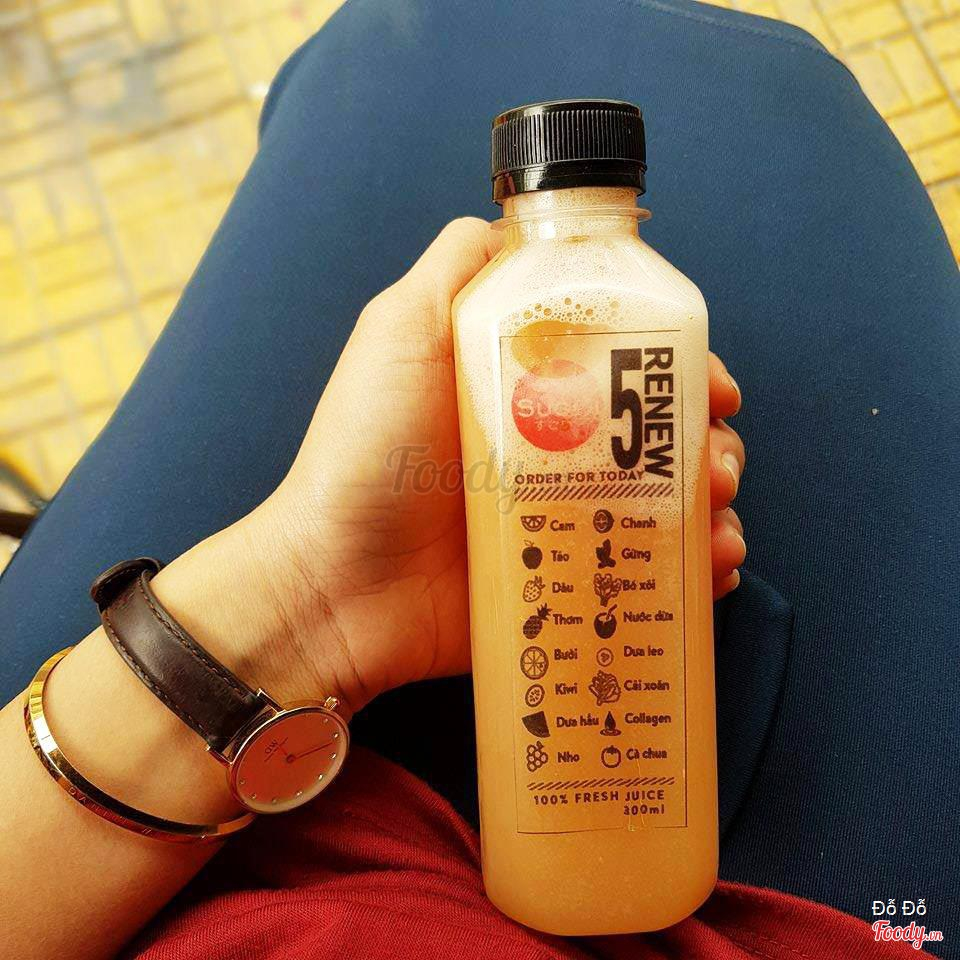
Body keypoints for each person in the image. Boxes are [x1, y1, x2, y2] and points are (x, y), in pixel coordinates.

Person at [1, 0, 957, 957]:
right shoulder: (538, 301)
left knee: (392, 34)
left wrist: (309, 597)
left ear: (514, 186)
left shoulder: (626, 299)